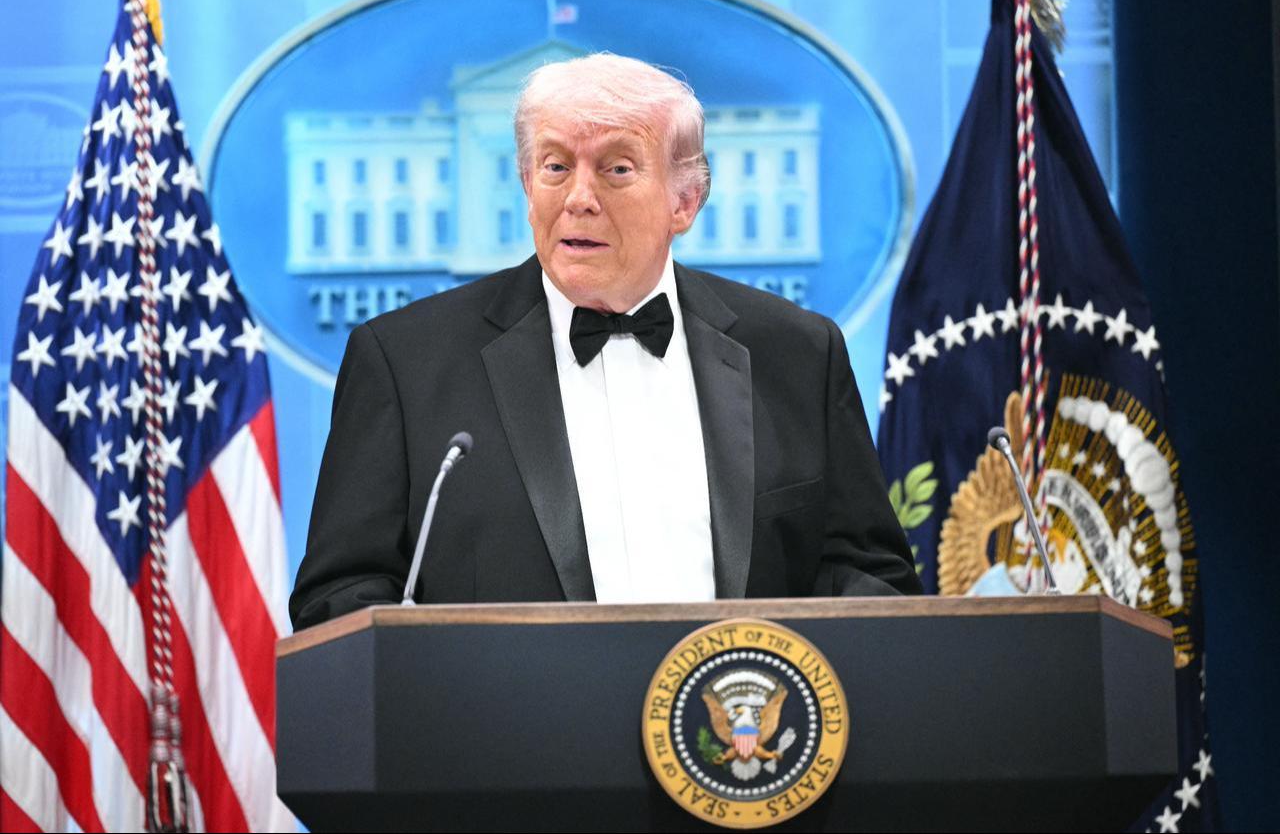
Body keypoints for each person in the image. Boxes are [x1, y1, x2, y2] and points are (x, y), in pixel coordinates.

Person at [289, 53, 921, 630]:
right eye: (556, 166)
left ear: (686, 201)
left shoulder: (798, 353)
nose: (579, 199)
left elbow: (868, 576)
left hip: (739, 742)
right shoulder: (405, 363)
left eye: (617, 168)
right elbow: (339, 594)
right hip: (500, 748)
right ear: (527, 184)